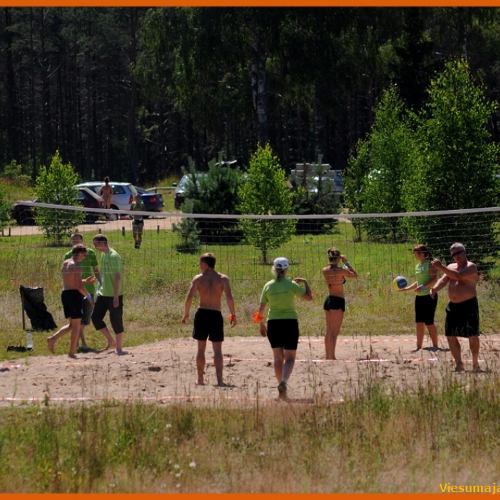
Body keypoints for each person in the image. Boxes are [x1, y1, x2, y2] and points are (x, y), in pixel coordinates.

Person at [256, 257, 312, 398]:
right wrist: (305, 282)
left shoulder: (268, 286)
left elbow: (261, 309)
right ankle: (284, 382)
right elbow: (309, 298)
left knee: (277, 358)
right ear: (286, 269)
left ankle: (282, 387)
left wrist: (261, 324)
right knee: (290, 358)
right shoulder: (291, 285)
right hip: (290, 322)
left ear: (274, 269)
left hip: (273, 323)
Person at [182, 253, 236, 386]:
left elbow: (189, 297)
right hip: (215, 314)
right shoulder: (223, 279)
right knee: (217, 349)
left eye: (200, 264)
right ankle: (219, 380)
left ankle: (200, 380)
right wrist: (233, 314)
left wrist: (186, 314)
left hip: (202, 314)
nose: (199, 267)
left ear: (205, 265)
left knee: (201, 348)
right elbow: (229, 297)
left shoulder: (198, 279)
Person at [430, 243, 480, 372]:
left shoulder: (471, 267)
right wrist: (434, 289)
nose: (456, 256)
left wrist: (440, 266)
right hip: (453, 307)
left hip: (468, 305)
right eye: (453, 254)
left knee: (473, 335)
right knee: (450, 335)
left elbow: (458, 276)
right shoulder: (450, 267)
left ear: (465, 252)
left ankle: (475, 363)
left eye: (458, 252)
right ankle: (459, 363)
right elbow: (444, 279)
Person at [47, 244, 94, 358]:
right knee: (77, 326)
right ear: (81, 253)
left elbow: (71, 281)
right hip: (74, 295)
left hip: (65, 294)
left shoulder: (65, 263)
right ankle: (71, 353)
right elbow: (78, 286)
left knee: (72, 325)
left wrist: (84, 281)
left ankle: (53, 339)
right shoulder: (77, 265)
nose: (84, 258)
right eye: (84, 255)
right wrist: (89, 297)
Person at [399, 244, 439, 352]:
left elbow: (434, 279)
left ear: (422, 253)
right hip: (419, 297)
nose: (415, 255)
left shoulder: (430, 264)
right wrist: (406, 288)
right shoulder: (417, 266)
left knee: (429, 322)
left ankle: (435, 345)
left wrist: (423, 287)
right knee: (419, 322)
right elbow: (418, 282)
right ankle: (419, 346)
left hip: (429, 296)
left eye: (416, 252)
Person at [65, 233, 101, 352]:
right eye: (73, 240)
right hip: (76, 291)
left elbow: (95, 269)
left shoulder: (90, 252)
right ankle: (81, 343)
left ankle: (72, 340)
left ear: (82, 240)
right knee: (77, 320)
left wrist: (100, 281)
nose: (75, 242)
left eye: (78, 240)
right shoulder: (68, 257)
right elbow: (69, 277)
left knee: (85, 320)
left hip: (89, 289)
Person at [91, 234, 126, 354]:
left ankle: (119, 348)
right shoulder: (103, 255)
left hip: (114, 294)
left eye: (96, 245)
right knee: (95, 317)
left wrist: (116, 296)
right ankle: (111, 340)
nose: (95, 247)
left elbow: (118, 277)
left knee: (116, 319)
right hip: (103, 293)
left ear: (102, 244)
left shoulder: (114, 256)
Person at [322, 248, 358, 360]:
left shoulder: (324, 270)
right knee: (334, 332)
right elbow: (355, 274)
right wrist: (346, 262)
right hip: (337, 300)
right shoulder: (341, 270)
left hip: (328, 299)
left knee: (328, 331)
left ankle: (328, 355)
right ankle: (331, 357)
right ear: (338, 258)